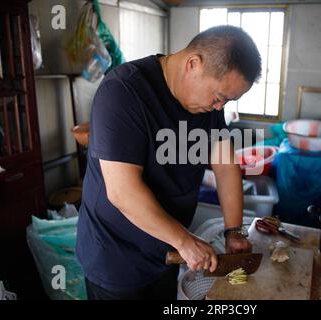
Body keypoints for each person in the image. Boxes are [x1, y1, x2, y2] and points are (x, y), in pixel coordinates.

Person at [76, 25, 262, 300]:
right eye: (220, 97)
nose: (219, 107)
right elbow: (123, 192)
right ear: (193, 64)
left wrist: (233, 232)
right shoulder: (123, 92)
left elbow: (225, 166)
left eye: (227, 101)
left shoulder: (207, 105)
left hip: (167, 251)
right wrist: (185, 241)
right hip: (116, 257)